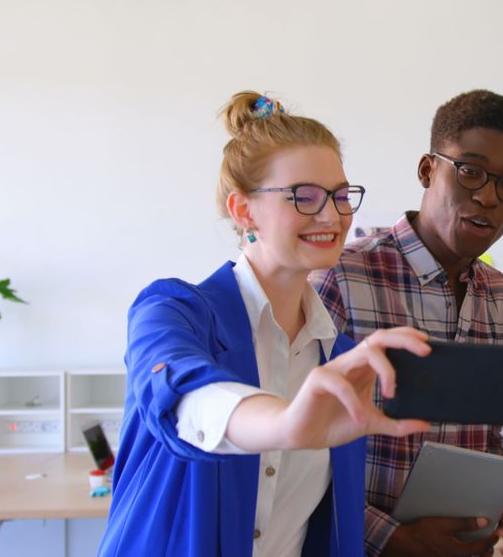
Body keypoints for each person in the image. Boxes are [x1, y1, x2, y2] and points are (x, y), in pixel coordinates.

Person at [99, 91, 431, 557]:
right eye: (304, 197)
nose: (332, 215)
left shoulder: (338, 359)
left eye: (340, 196)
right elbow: (182, 397)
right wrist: (284, 423)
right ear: (243, 210)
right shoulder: (174, 311)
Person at [311, 89, 503, 557]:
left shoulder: (502, 297)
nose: (488, 196)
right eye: (470, 170)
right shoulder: (340, 278)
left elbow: (484, 440)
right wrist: (390, 538)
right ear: (427, 170)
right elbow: (292, 452)